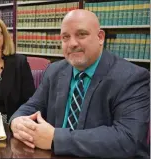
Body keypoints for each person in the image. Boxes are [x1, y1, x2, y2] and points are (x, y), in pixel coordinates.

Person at [9, 9, 150, 158]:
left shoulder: (132, 77)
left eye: (81, 34)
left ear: (100, 37)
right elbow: (31, 106)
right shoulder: (54, 71)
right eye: (65, 37)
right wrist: (17, 122)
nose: (72, 43)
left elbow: (127, 139)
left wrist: (55, 138)